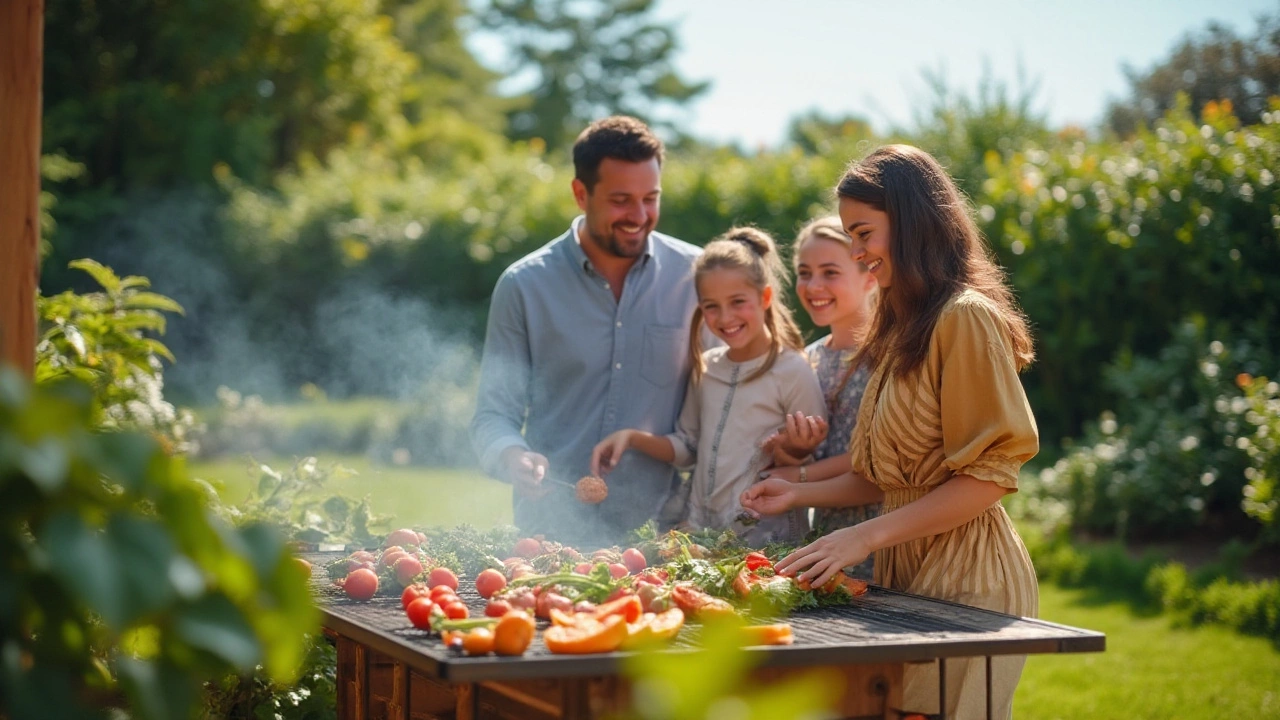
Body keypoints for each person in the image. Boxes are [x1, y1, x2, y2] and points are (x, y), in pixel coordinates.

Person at [740, 144, 1039, 719]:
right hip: (905, 572)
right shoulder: (901, 326)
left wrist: (865, 538)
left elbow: (990, 475)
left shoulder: (964, 317)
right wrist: (798, 492)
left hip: (967, 576)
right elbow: (881, 477)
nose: (856, 252)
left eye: (864, 234)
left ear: (910, 223)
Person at [469, 116, 704, 547]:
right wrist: (512, 455)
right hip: (550, 538)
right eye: (620, 200)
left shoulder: (696, 277)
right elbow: (493, 414)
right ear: (581, 194)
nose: (638, 216)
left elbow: (728, 396)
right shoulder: (524, 286)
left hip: (665, 539)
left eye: (650, 198)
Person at [591, 227, 826, 545]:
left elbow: (815, 463)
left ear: (765, 297)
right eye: (711, 305)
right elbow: (688, 448)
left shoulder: (792, 371)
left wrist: (796, 450)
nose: (725, 316)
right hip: (703, 537)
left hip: (767, 547)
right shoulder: (707, 367)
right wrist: (631, 438)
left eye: (738, 301)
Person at [762, 216, 881, 579]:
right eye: (804, 272)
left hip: (881, 539)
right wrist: (791, 449)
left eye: (830, 272)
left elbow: (875, 461)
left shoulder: (888, 357)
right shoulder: (807, 359)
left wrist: (797, 475)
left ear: (870, 277)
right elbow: (810, 453)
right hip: (823, 542)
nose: (813, 285)